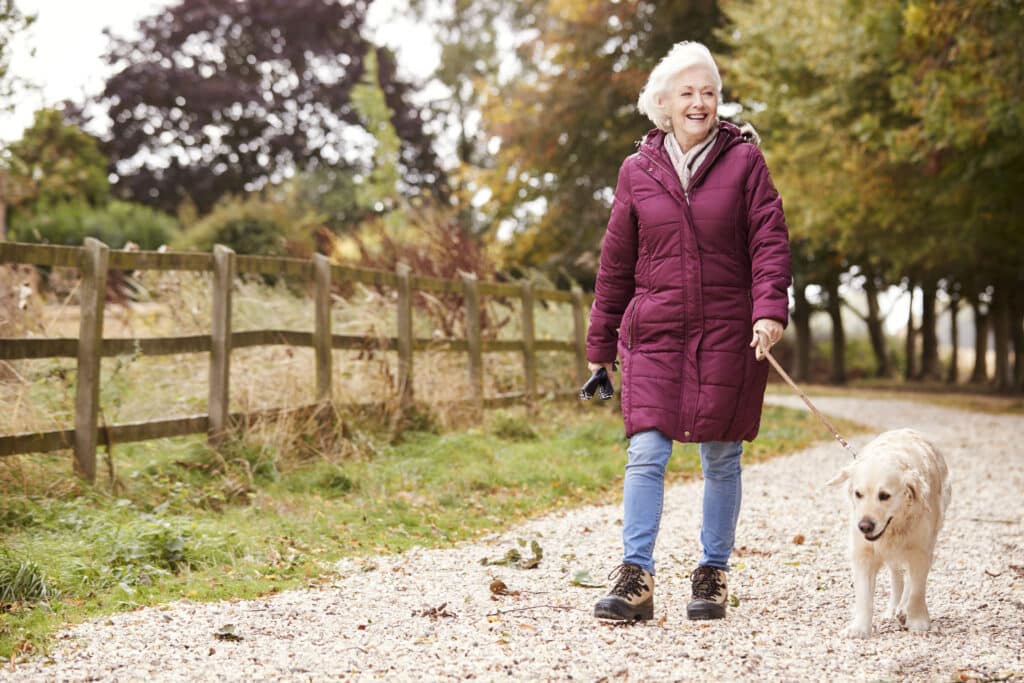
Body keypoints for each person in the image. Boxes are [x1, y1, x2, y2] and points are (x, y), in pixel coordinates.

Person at [586, 40, 791, 622]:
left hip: (729, 329)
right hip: (653, 332)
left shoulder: (746, 162)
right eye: (688, 92)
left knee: (721, 454)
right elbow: (615, 265)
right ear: (664, 103)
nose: (700, 102)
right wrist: (600, 347)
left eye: (709, 93)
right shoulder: (636, 172)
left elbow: (769, 240)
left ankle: (712, 573)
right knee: (646, 451)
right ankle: (636, 576)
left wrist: (769, 309)